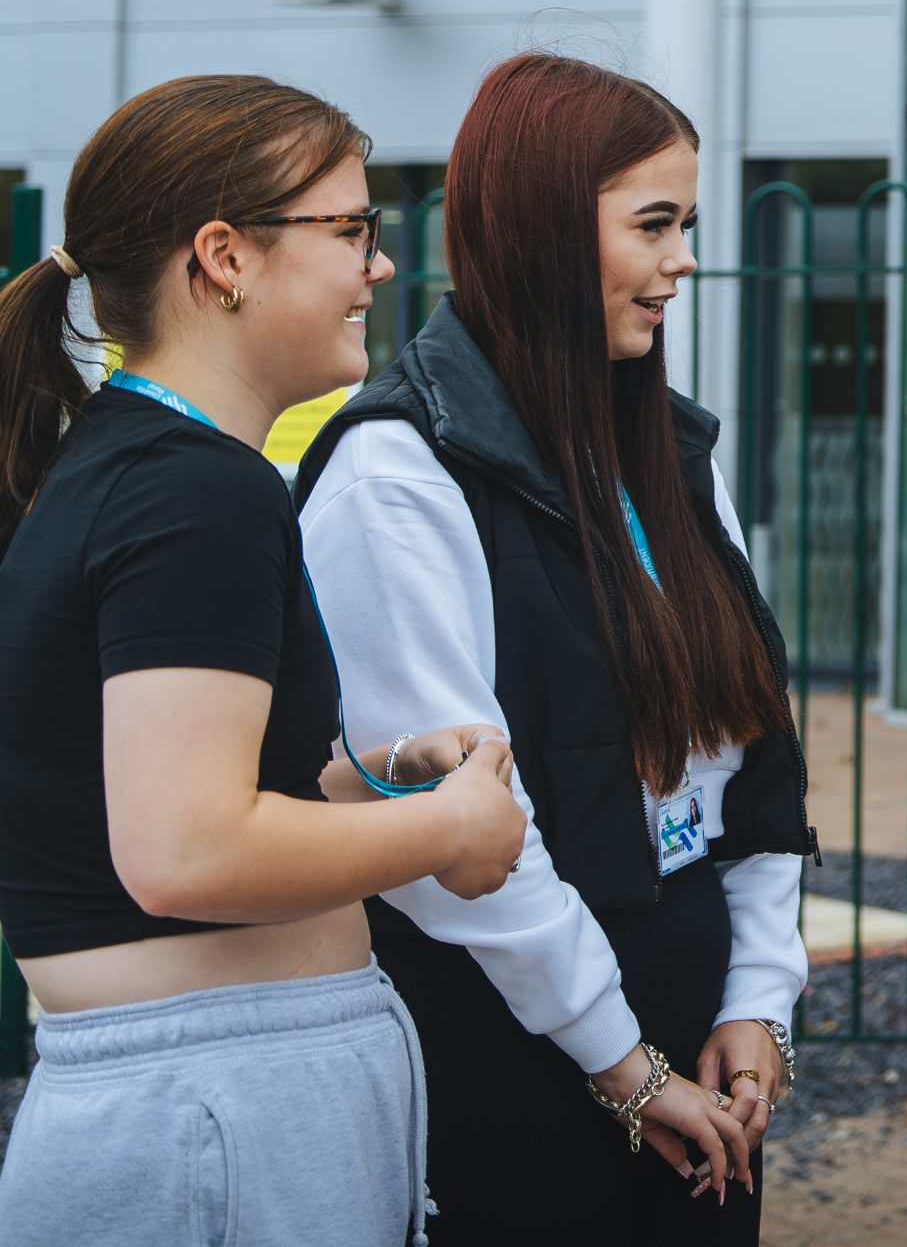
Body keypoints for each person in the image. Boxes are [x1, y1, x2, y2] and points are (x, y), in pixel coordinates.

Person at [294, 53, 815, 1243]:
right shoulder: (397, 474)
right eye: (653, 224)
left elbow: (750, 751)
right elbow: (452, 848)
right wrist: (621, 1063)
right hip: (508, 1038)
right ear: (538, 225)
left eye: (686, 222)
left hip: (685, 1016)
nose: (683, 259)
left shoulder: (668, 452)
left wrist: (758, 999)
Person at [0, 76, 524, 1246]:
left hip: (199, 1106)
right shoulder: (195, 488)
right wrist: (452, 832)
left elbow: (182, 798)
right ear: (224, 257)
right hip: (214, 1109)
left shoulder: (147, 469)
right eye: (351, 230)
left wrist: (384, 773)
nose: (379, 267)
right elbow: (184, 853)